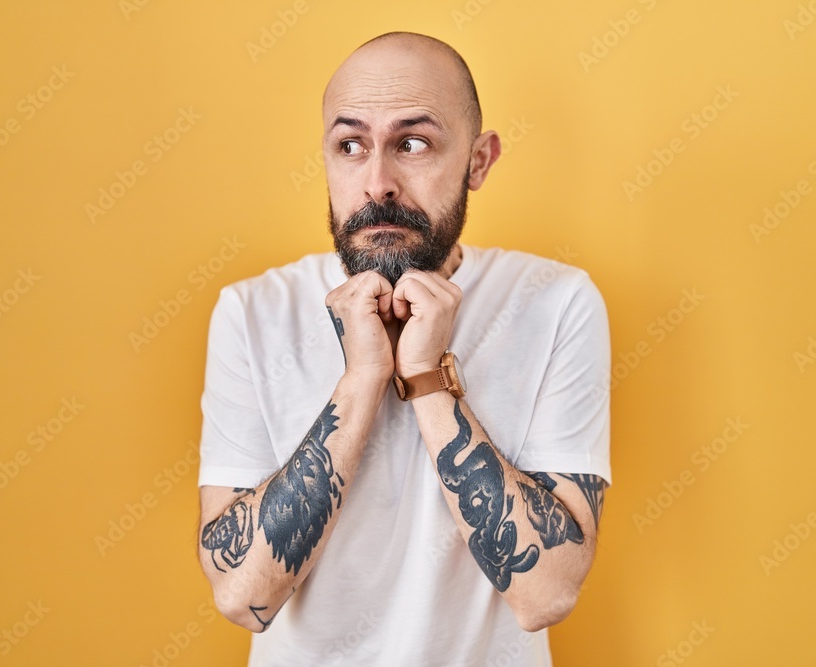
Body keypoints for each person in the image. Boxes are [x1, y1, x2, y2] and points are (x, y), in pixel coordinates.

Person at [196, 30, 611, 666]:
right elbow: (243, 596)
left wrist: (425, 376)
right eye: (350, 145)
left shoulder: (557, 303)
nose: (377, 182)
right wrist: (362, 379)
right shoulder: (253, 313)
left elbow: (545, 595)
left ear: (478, 161)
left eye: (412, 144)